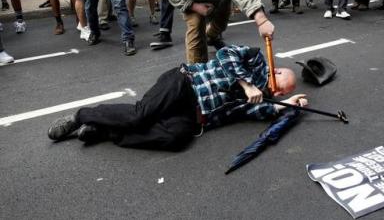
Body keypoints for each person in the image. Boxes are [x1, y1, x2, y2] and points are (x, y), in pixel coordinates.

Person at [47, 45, 307, 150]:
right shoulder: (257, 60)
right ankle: (80, 116)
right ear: (276, 70)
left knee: (176, 138)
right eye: (283, 86)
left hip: (194, 116)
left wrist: (287, 106)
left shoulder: (265, 99)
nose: (281, 91)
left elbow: (259, 114)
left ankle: (105, 131)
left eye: (285, 92)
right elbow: (225, 54)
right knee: (141, 114)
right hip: (184, 83)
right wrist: (247, 84)